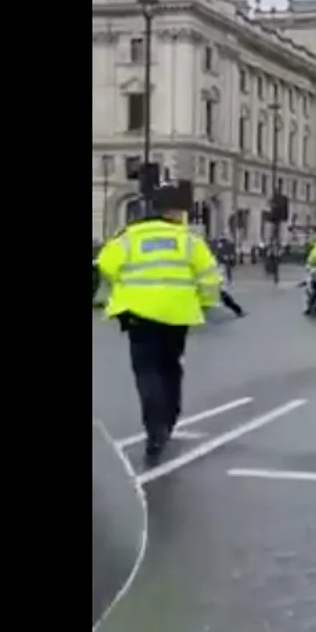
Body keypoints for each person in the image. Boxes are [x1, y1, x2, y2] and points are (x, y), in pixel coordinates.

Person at [95, 184, 223, 463]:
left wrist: (118, 290)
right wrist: (205, 303)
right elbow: (210, 277)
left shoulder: (128, 238)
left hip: (138, 314)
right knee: (170, 366)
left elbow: (104, 265)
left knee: (146, 372)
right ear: (178, 212)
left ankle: (155, 430)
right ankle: (170, 417)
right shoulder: (188, 241)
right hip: (177, 314)